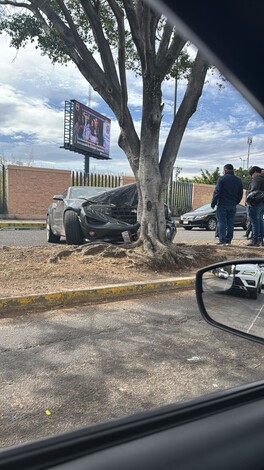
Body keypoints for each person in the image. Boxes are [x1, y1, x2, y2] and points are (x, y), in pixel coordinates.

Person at [211, 164, 243, 245]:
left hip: (222, 204)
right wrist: (235, 202)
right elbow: (240, 194)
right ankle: (229, 240)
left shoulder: (222, 179)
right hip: (232, 205)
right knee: (230, 222)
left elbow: (217, 192)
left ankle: (222, 239)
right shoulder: (238, 180)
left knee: (221, 222)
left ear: (225, 170)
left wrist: (213, 203)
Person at [245, 166, 264, 246]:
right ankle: (260, 240)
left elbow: (253, 192)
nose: (252, 176)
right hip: (262, 203)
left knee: (255, 222)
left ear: (255, 172)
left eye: (252, 174)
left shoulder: (257, 179)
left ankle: (255, 240)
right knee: (260, 221)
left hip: (255, 203)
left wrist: (248, 201)